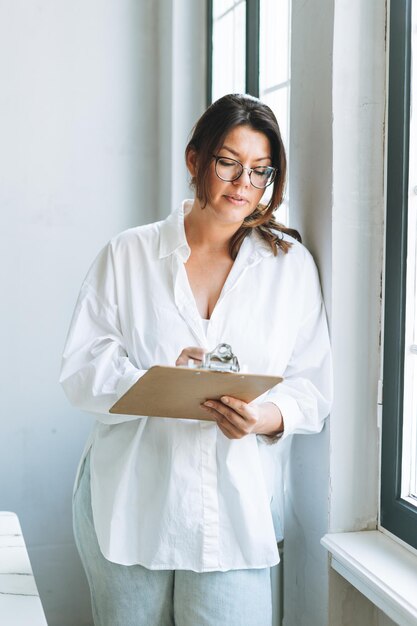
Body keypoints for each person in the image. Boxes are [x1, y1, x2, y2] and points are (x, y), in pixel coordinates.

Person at [60, 93, 332, 626]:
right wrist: (159, 378)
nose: (242, 185)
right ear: (195, 160)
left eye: (259, 171)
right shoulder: (127, 255)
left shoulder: (289, 267)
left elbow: (312, 386)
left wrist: (263, 417)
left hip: (233, 512)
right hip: (129, 500)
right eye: (228, 163)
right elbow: (81, 369)